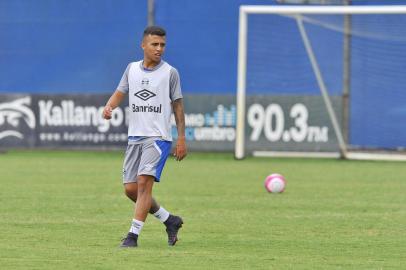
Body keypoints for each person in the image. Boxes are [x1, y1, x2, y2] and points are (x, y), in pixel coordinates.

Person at [102, 25, 187, 248]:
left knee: (143, 185)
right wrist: (109, 107)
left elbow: (178, 106)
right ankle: (170, 220)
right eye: (155, 44)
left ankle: (132, 236)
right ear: (143, 45)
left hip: (158, 138)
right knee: (130, 189)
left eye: (162, 45)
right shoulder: (131, 69)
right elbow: (120, 92)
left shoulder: (170, 73)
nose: (159, 49)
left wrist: (181, 138)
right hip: (135, 138)